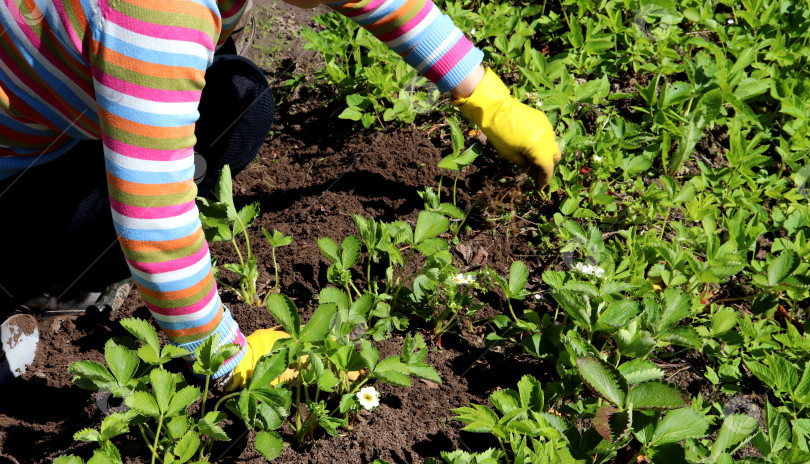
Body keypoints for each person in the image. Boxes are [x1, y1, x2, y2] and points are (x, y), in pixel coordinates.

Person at [0, 0, 561, 388]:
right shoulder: (159, 17)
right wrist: (225, 357)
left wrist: (487, 97)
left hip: (42, 114)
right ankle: (36, 282)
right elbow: (154, 223)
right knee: (233, 114)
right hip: (16, 196)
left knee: (238, 97)